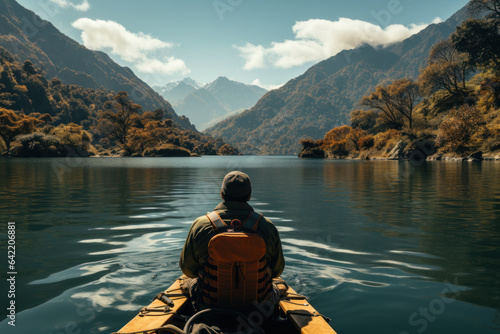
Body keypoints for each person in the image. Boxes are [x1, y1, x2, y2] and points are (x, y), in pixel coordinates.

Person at [179, 171, 285, 313]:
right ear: (249, 196)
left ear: (222, 194)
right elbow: (277, 270)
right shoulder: (267, 227)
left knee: (187, 281)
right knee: (280, 284)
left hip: (210, 306)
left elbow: (187, 269)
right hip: (258, 308)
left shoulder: (201, 225)